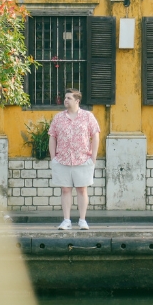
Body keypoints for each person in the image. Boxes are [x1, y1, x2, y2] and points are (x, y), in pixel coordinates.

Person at [48, 89, 100, 230]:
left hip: (82, 159)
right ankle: (66, 220)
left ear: (77, 101)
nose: (65, 100)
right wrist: (53, 158)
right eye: (65, 98)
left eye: (69, 98)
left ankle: (82, 220)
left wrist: (93, 157)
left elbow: (95, 135)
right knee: (65, 190)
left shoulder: (88, 117)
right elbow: (52, 136)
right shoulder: (58, 118)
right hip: (63, 159)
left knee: (82, 190)